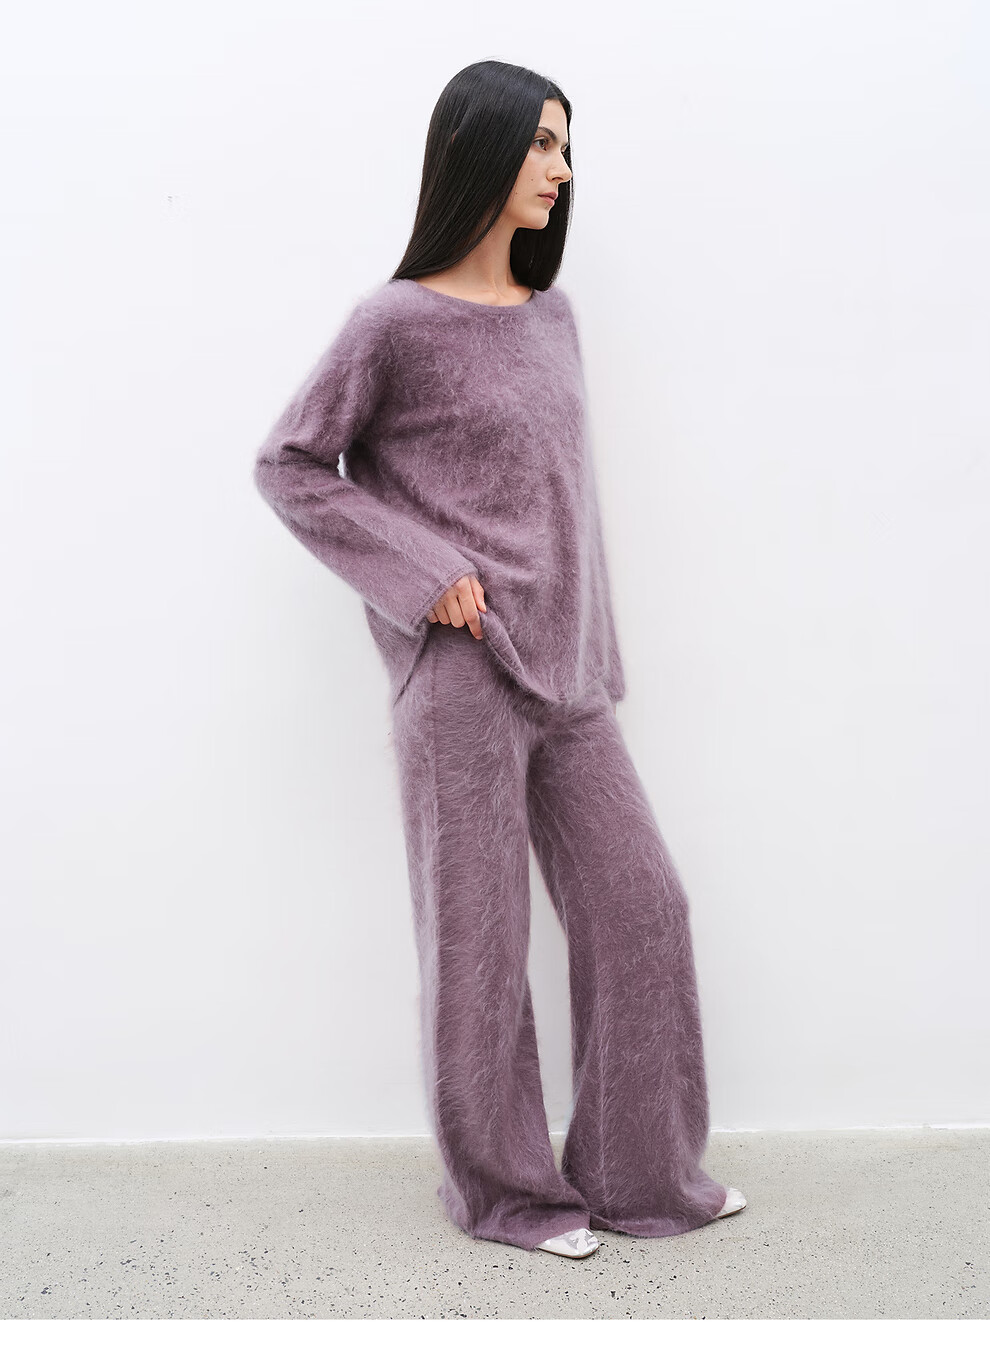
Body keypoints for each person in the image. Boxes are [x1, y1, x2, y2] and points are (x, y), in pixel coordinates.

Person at [252, 59, 746, 1259]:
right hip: (463, 673)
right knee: (480, 947)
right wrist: (424, 570)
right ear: (478, 147)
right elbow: (292, 464)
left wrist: (594, 649)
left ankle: (638, 1173)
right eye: (541, 143)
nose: (561, 168)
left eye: (566, 146)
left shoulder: (553, 316)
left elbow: (567, 507)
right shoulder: (392, 324)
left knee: (644, 907)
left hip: (567, 675)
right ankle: (511, 1195)